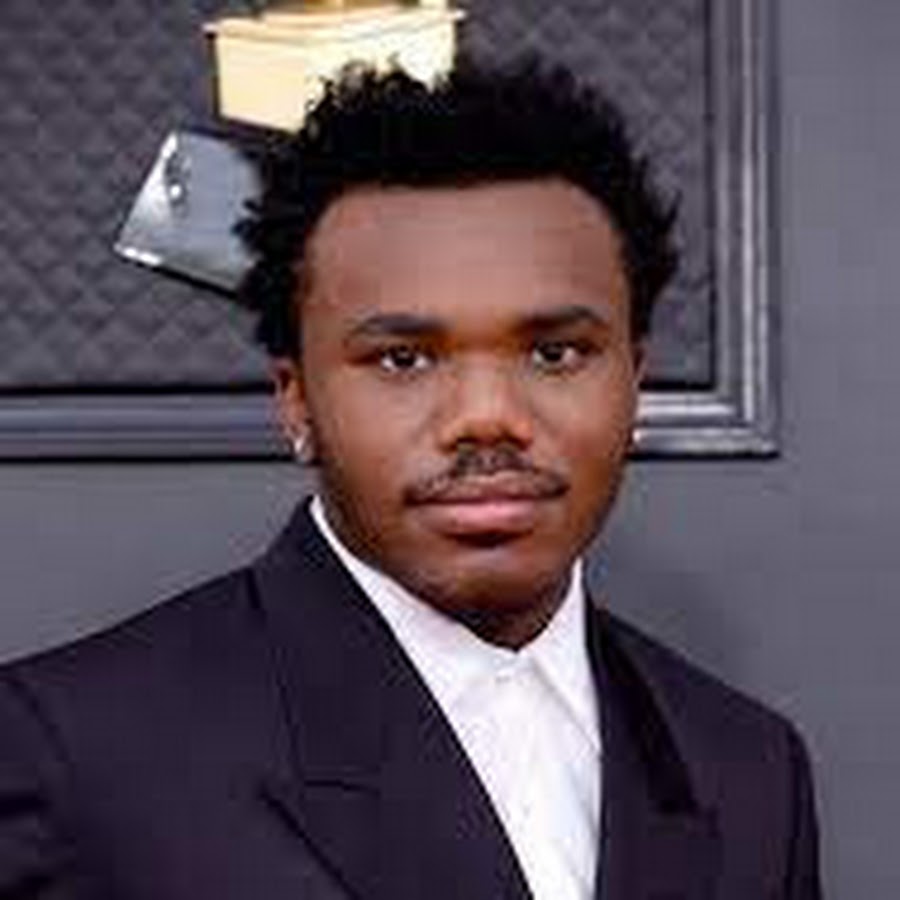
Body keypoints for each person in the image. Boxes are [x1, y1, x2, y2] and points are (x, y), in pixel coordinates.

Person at [0, 59, 820, 899]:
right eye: (403, 359)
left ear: (632, 380)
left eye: (555, 353)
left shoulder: (749, 767)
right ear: (296, 399)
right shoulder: (69, 753)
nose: (487, 416)